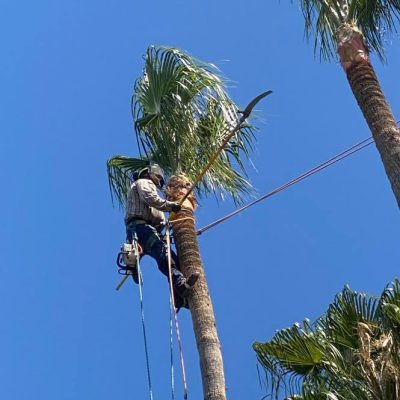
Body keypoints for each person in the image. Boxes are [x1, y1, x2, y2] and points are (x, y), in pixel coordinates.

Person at [124, 163, 199, 309]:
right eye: (158, 177)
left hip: (144, 230)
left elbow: (157, 215)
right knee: (165, 255)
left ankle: (178, 298)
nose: (159, 181)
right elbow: (150, 198)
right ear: (149, 173)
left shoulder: (143, 187)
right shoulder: (144, 182)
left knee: (172, 258)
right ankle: (180, 284)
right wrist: (170, 206)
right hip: (141, 228)